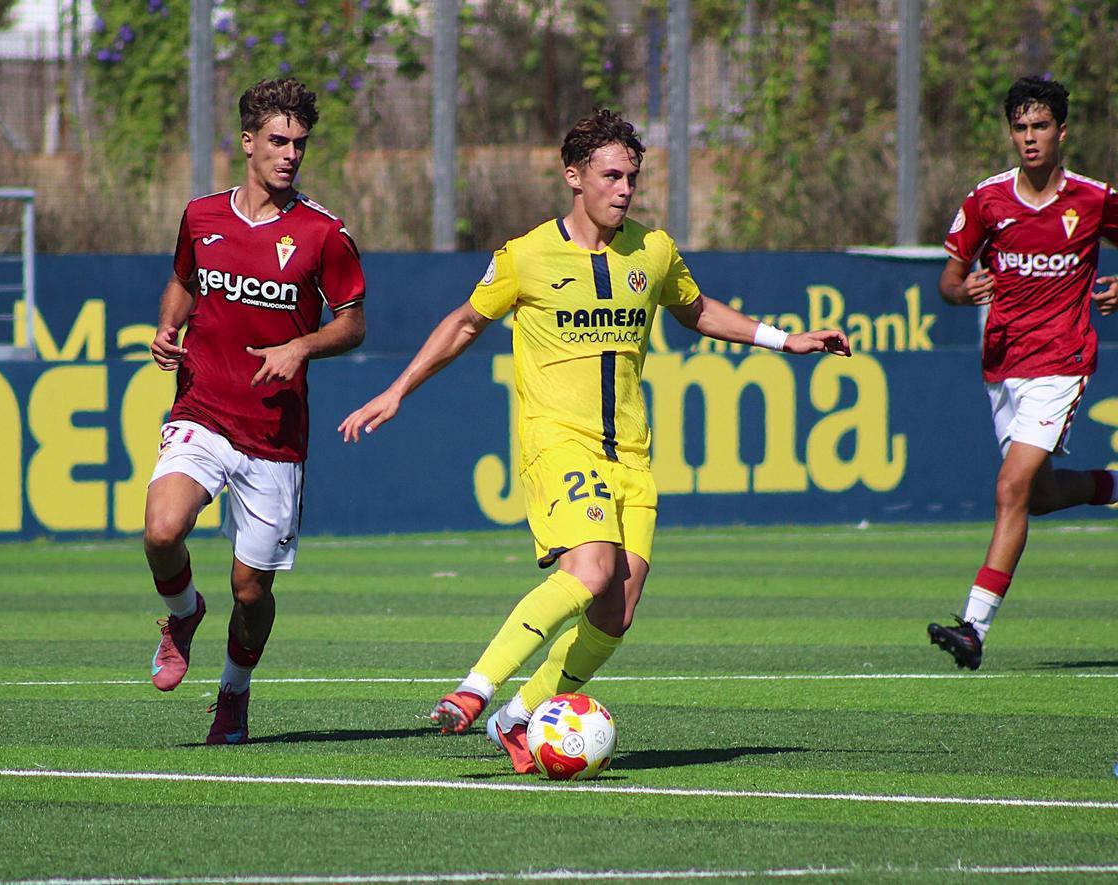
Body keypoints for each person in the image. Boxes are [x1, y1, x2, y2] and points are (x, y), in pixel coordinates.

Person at [339, 108, 850, 773]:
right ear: (574, 177)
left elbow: (695, 309)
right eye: (611, 175)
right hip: (558, 442)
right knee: (591, 568)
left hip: (630, 453)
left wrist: (787, 340)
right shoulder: (526, 256)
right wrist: (398, 388)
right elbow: (465, 323)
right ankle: (475, 687)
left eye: (632, 177)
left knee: (618, 608)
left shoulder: (653, 250)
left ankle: (517, 717)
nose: (624, 188)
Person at [144, 78, 367, 744]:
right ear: (248, 142)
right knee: (161, 529)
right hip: (204, 407)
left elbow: (353, 322)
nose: (289, 153)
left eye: (299, 142)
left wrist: (302, 345)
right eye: (277, 140)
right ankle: (182, 612)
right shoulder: (202, 217)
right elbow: (184, 281)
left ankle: (234, 694)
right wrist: (167, 328)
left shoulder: (323, 233)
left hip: (274, 436)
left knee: (250, 592)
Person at [928, 76, 1118, 671]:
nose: (1030, 138)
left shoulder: (1094, 199)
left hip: (1061, 363)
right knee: (1036, 497)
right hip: (1002, 368)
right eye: (1020, 127)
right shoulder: (987, 200)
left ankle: (974, 627)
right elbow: (949, 282)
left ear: (1062, 130)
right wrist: (964, 292)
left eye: (1040, 127)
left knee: (1010, 487)